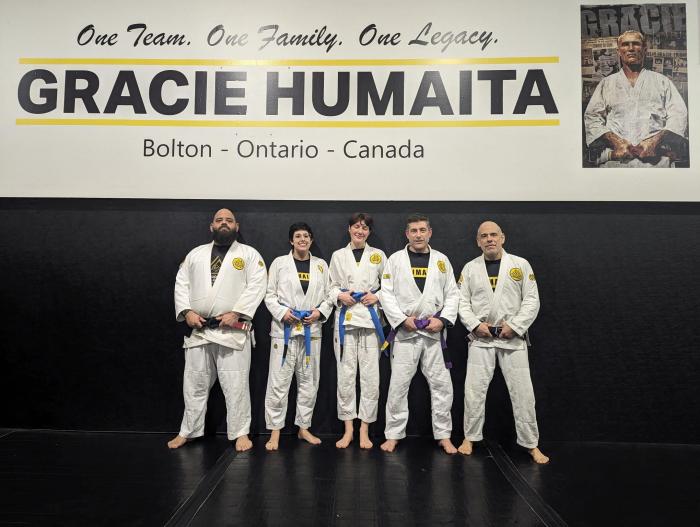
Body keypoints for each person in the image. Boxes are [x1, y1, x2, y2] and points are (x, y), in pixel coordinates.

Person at [168, 209, 267, 452]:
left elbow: (257, 285)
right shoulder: (195, 254)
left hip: (232, 331)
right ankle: (188, 431)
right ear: (211, 226)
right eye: (219, 220)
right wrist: (187, 312)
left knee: (236, 385)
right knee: (194, 384)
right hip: (200, 330)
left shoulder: (249, 254)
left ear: (237, 226)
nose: (224, 223)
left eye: (229, 220)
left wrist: (237, 312)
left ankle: (240, 433)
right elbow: (181, 284)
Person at [457, 221, 548, 464]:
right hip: (481, 338)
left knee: (523, 393)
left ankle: (531, 443)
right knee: (473, 391)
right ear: (478, 241)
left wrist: (516, 326)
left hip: (512, 338)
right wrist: (475, 325)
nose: (489, 239)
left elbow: (532, 300)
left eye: (493, 235)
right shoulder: (470, 268)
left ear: (502, 237)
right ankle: (470, 438)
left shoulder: (520, 265)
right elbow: (461, 303)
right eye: (484, 236)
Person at [379, 214, 459, 454]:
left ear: (430, 232)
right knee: (398, 385)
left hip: (434, 334)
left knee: (442, 386)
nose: (418, 235)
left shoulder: (442, 260)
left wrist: (442, 320)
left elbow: (453, 294)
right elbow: (386, 293)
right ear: (407, 234)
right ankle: (393, 434)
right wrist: (402, 320)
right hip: (406, 334)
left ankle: (444, 435)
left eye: (422, 230)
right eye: (413, 230)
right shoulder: (395, 260)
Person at [264, 222, 334, 450]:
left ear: (311, 240)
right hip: (283, 331)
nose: (302, 239)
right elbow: (269, 295)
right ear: (291, 240)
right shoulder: (279, 263)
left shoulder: (321, 265)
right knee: (278, 383)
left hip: (311, 331)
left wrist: (319, 312)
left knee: (309, 382)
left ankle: (304, 428)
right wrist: (282, 313)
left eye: (306, 236)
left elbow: (329, 296)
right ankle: (275, 431)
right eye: (298, 236)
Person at [584, 30, 688, 168]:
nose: (631, 48)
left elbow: (679, 115)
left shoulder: (662, 82)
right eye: (625, 44)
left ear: (644, 49)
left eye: (636, 44)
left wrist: (655, 141)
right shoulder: (607, 83)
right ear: (618, 51)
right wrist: (616, 141)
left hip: (656, 163)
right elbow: (592, 117)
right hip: (616, 162)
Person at [328, 213, 387, 449]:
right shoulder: (338, 255)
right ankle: (348, 429)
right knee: (345, 375)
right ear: (349, 229)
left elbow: (389, 285)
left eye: (364, 228)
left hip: (371, 320)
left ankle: (364, 429)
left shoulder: (378, 255)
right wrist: (339, 295)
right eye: (356, 227)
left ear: (369, 232)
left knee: (371, 377)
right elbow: (330, 286)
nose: (360, 231)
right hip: (346, 319)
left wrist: (378, 296)